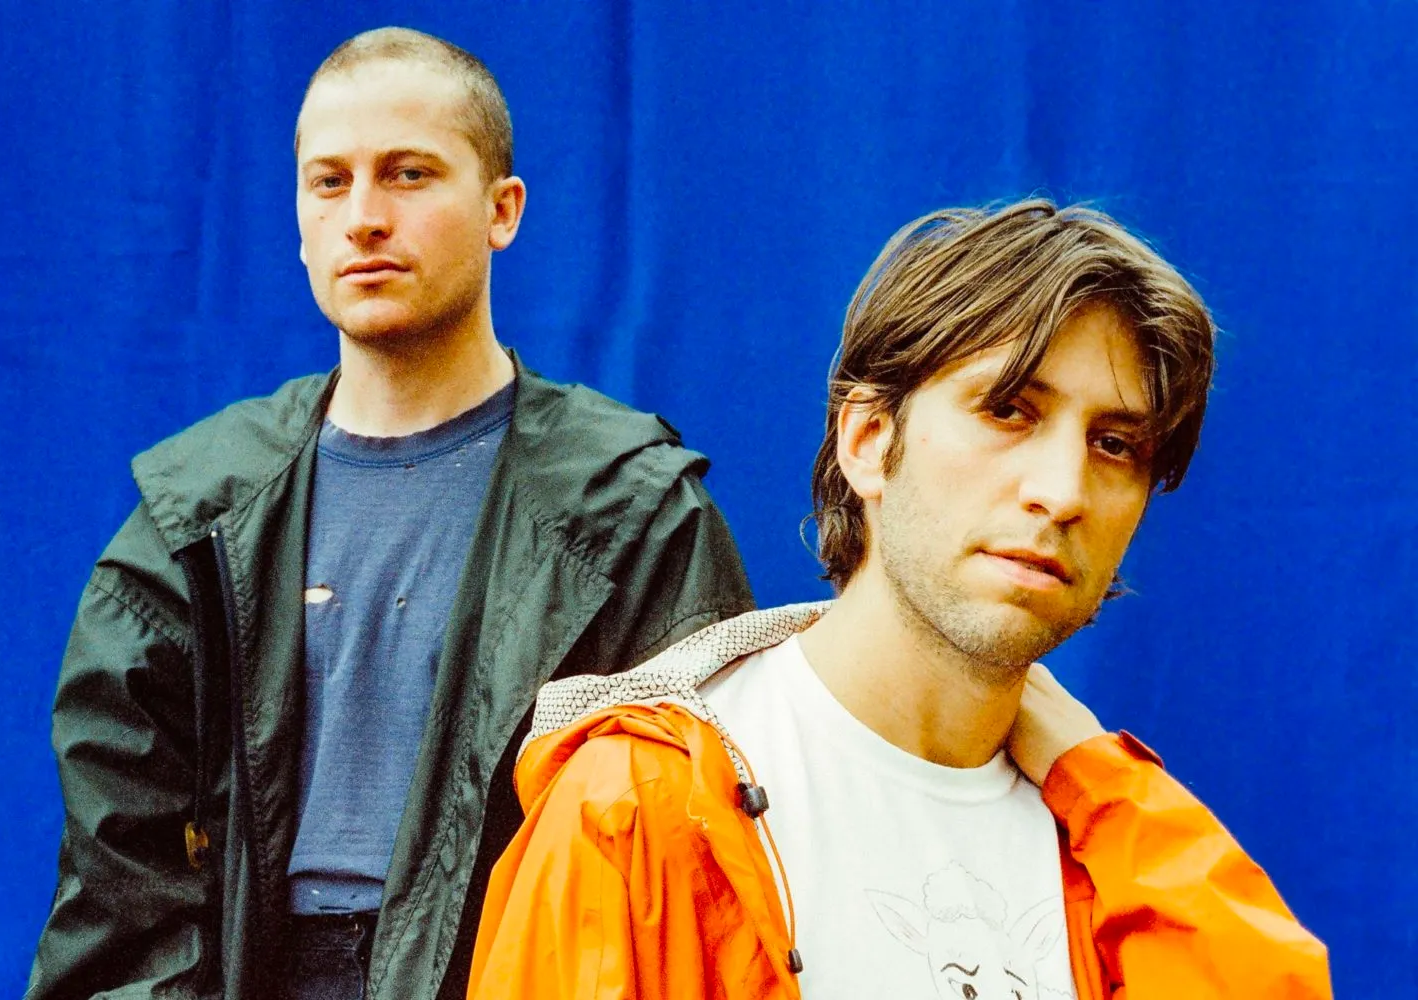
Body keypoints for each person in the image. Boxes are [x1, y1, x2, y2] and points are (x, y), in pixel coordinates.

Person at [26, 26, 753, 1000]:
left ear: (503, 210)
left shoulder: (630, 515)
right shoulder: (196, 523)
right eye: (329, 182)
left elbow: (695, 869)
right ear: (298, 221)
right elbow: (123, 898)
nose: (364, 218)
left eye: (409, 175)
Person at [467, 200, 1333, 999]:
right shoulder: (637, 805)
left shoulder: (1102, 839)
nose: (1063, 490)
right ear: (870, 439)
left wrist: (1104, 784)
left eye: (1115, 444)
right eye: (1008, 410)